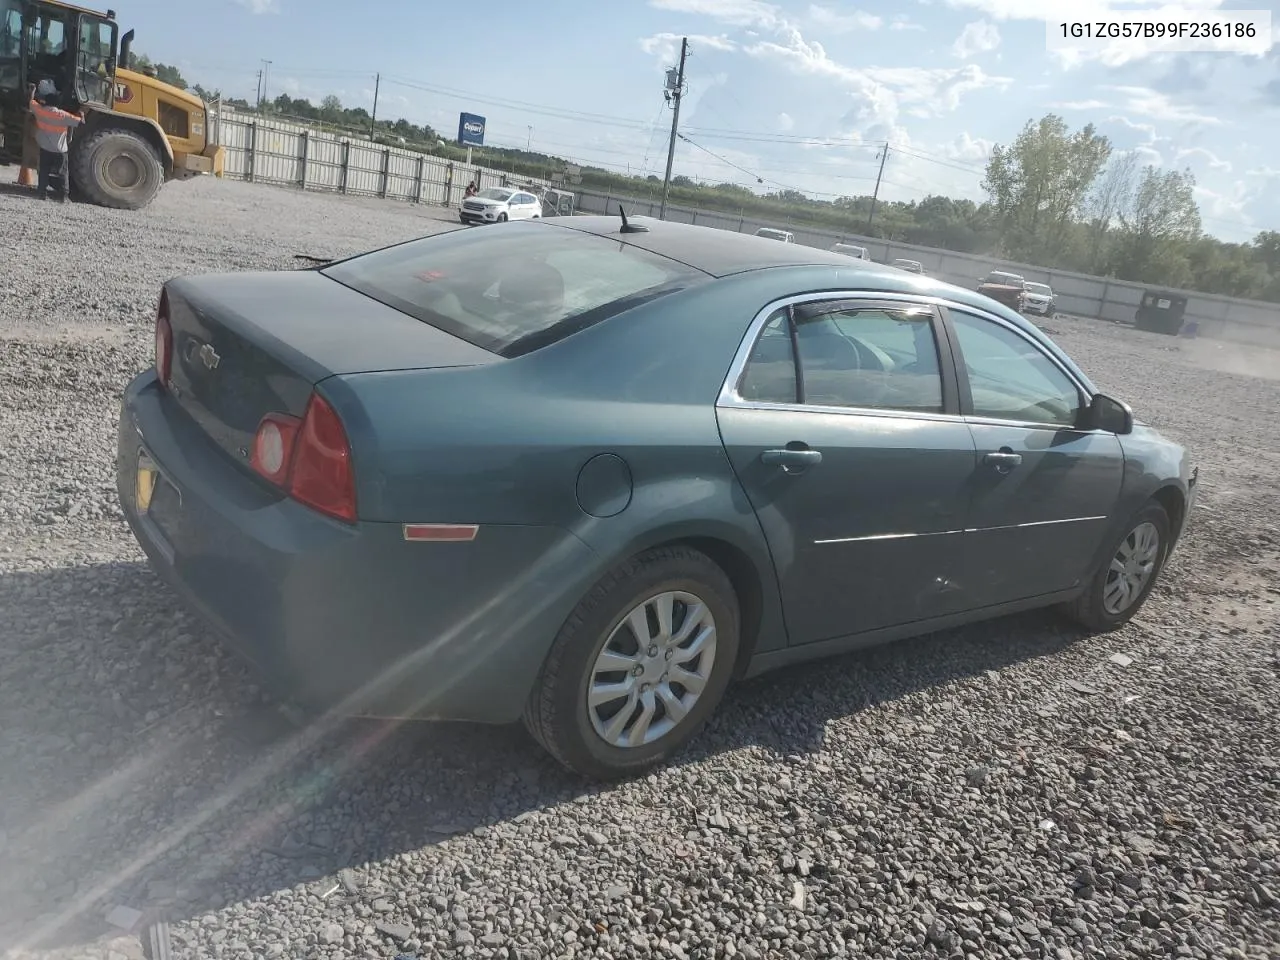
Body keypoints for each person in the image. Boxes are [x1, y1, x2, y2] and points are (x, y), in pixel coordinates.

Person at [30, 80, 83, 203]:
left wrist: (32, 90)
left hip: (45, 148)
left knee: (43, 170)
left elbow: (31, 102)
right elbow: (80, 123)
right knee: (63, 172)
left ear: (45, 101)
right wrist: (82, 114)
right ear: (57, 104)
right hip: (60, 150)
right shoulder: (63, 115)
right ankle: (64, 196)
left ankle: (41, 193)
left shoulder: (40, 111)